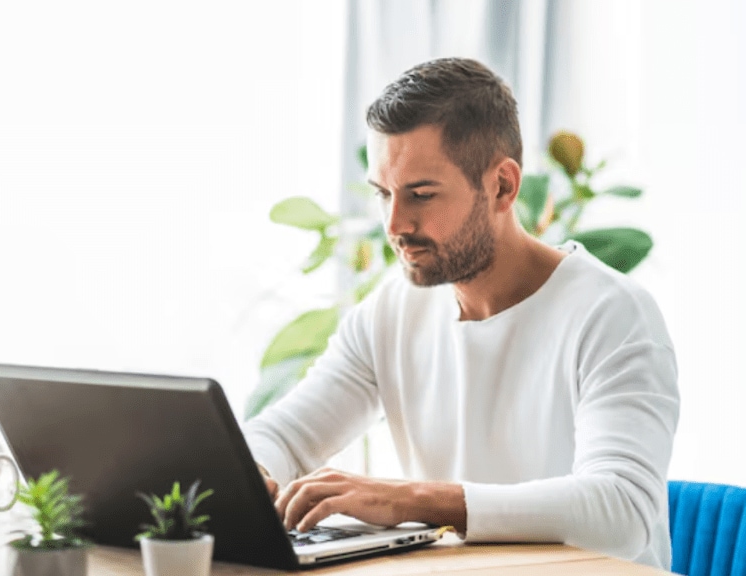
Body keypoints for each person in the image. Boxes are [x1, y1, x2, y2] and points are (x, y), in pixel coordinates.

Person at [243, 57, 679, 570]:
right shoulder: (390, 312)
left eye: (421, 194)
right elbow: (284, 436)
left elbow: (622, 511)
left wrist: (413, 500)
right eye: (383, 194)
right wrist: (250, 475)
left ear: (503, 186)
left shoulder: (613, 315)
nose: (394, 224)